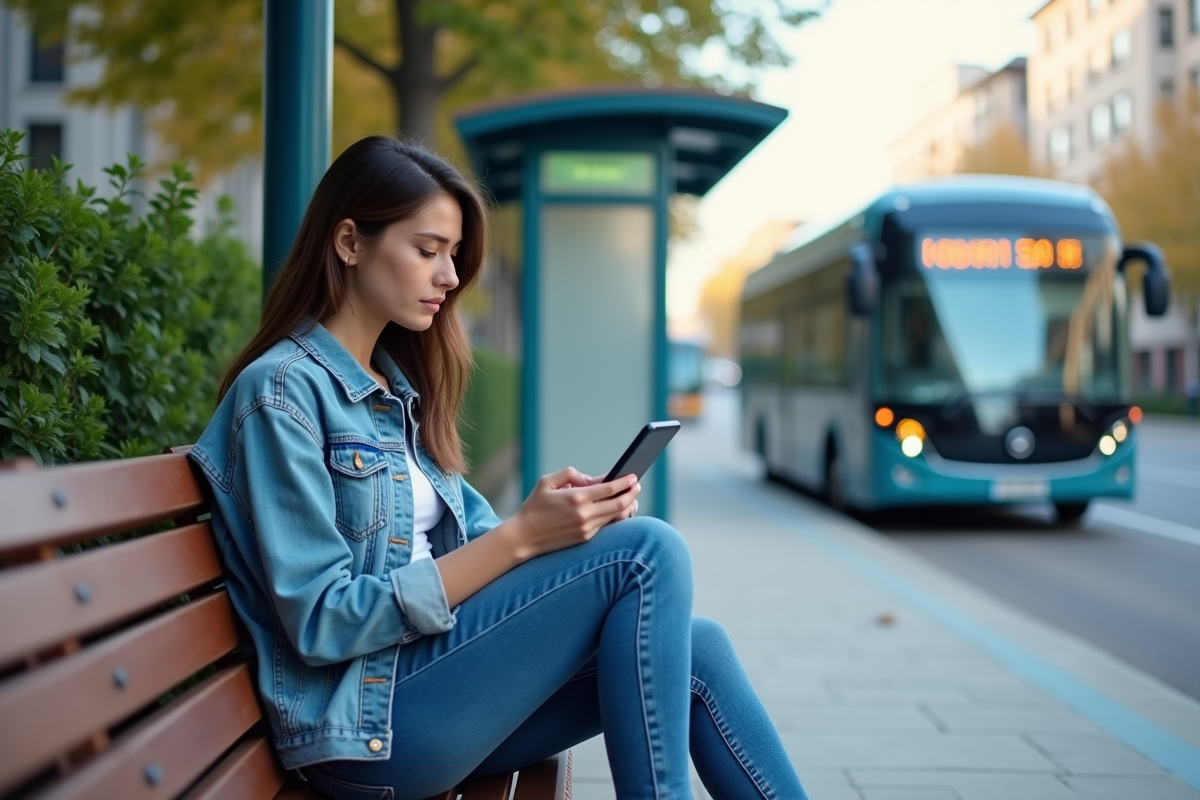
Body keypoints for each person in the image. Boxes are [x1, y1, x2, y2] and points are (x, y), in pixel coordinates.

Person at [191, 136, 808, 800]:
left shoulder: (395, 393)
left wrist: (548, 523)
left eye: (452, 256)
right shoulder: (281, 394)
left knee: (699, 650)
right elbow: (322, 621)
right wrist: (521, 539)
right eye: (427, 251)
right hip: (367, 726)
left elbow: (477, 558)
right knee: (647, 550)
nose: (450, 277)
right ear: (349, 242)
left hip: (432, 685)